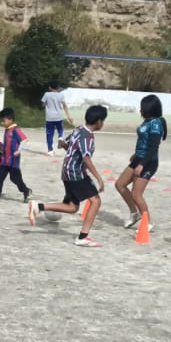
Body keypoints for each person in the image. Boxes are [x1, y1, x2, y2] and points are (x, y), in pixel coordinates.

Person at [28, 104, 107, 246]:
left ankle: (38, 207)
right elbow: (86, 158)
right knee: (96, 201)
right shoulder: (87, 137)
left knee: (72, 207)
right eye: (103, 121)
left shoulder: (79, 130)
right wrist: (99, 178)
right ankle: (83, 237)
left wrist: (61, 143)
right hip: (76, 173)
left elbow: (66, 145)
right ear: (99, 122)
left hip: (66, 172)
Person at [114, 94, 167, 229]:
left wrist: (142, 164)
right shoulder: (147, 121)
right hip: (138, 158)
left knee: (136, 194)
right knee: (120, 184)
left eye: (143, 108)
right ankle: (134, 213)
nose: (141, 110)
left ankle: (148, 222)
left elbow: (154, 147)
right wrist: (136, 155)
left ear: (150, 109)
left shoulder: (156, 124)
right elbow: (144, 141)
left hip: (148, 162)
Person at [0, 110, 32, 202]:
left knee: (15, 179)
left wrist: (19, 150)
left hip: (13, 161)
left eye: (4, 120)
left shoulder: (16, 129)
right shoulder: (7, 129)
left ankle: (26, 191)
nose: (2, 123)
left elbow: (24, 140)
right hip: (4, 160)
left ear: (10, 119)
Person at [41, 83, 68, 153]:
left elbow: (43, 105)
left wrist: (46, 104)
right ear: (57, 87)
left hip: (49, 117)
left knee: (49, 134)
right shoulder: (61, 95)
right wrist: (68, 116)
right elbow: (64, 105)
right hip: (58, 116)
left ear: (50, 87)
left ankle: (50, 151)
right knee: (60, 129)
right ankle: (60, 138)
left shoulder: (47, 94)